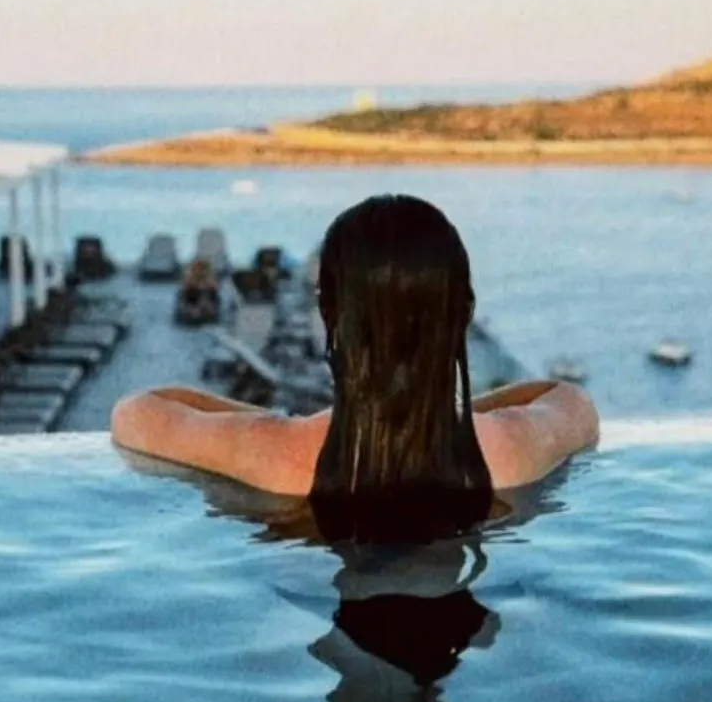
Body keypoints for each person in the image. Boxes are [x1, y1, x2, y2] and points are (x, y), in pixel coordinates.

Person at [111, 193, 599, 541]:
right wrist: (437, 410)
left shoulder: (276, 452)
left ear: (329, 313)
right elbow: (566, 398)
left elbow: (135, 412)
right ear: (464, 312)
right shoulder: (514, 446)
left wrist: (276, 425)